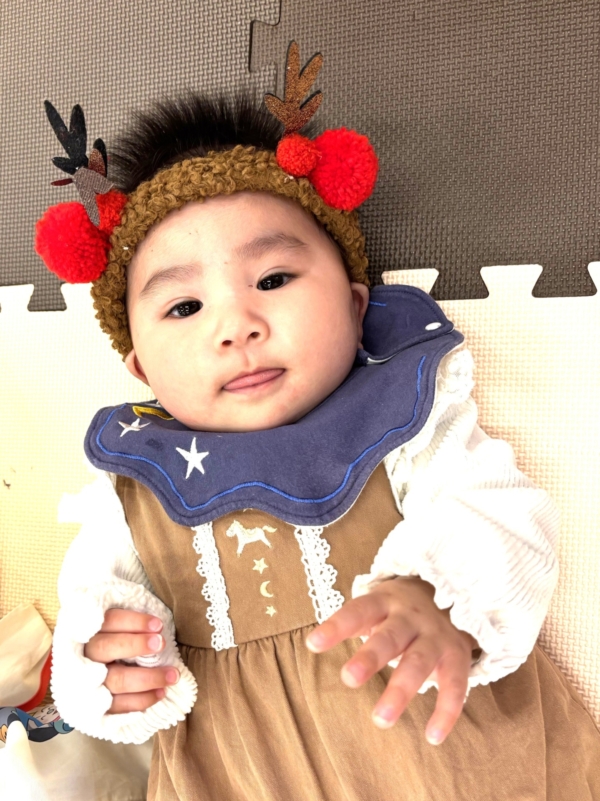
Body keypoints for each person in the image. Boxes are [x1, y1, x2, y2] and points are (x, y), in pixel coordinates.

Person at [37, 43, 600, 801]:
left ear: (355, 304)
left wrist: (437, 595)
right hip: (237, 774)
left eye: (273, 278)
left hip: (450, 766)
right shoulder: (134, 485)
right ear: (140, 369)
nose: (236, 325)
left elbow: (505, 516)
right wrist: (101, 675)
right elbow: (93, 615)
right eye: (184, 306)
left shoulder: (401, 418)